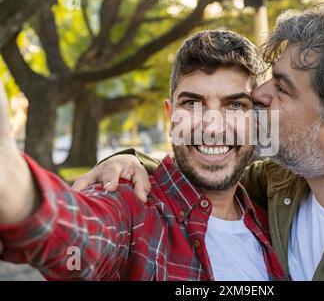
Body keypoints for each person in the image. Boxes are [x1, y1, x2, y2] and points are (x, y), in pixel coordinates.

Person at [76, 6, 324, 280]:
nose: (260, 93)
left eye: (283, 88)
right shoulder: (275, 184)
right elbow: (204, 173)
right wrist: (127, 160)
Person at [0, 30, 285, 281]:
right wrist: (13, 184)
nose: (212, 126)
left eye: (235, 105)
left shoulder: (275, 217)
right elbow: (81, 236)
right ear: (170, 115)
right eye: (192, 103)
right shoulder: (134, 208)